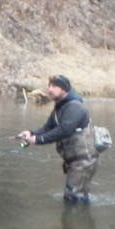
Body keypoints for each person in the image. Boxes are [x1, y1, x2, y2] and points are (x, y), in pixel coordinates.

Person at [17, 74, 97, 203]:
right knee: (73, 198)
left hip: (83, 161)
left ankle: (77, 222)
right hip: (74, 161)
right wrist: (31, 133)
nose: (50, 89)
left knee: (74, 199)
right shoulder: (60, 107)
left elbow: (64, 130)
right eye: (49, 86)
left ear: (64, 89)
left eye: (54, 86)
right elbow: (48, 127)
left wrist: (38, 140)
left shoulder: (75, 107)